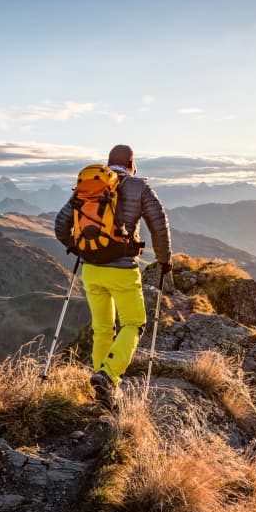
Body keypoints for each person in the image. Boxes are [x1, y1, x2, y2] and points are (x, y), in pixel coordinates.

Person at [55, 144, 172, 409]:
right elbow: (159, 223)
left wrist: (76, 247)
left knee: (102, 329)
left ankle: (102, 389)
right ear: (132, 165)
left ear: (108, 164)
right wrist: (164, 260)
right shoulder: (139, 187)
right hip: (122, 270)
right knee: (134, 323)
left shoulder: (90, 185)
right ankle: (108, 376)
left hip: (91, 268)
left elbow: (61, 223)